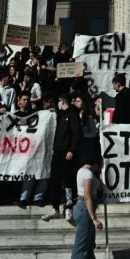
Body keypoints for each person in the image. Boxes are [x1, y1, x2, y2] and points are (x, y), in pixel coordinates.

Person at [44, 93, 82, 221]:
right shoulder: (60, 115)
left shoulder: (72, 114)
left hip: (67, 152)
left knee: (67, 180)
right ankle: (55, 207)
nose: (57, 104)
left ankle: (68, 207)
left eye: (59, 101)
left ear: (63, 101)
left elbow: (76, 133)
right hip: (57, 152)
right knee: (54, 179)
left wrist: (71, 150)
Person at [71, 151, 104, 259]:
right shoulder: (88, 173)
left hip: (85, 208)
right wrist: (94, 219)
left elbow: (97, 189)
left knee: (89, 245)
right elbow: (87, 196)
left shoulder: (82, 171)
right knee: (81, 246)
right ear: (96, 163)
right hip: (85, 209)